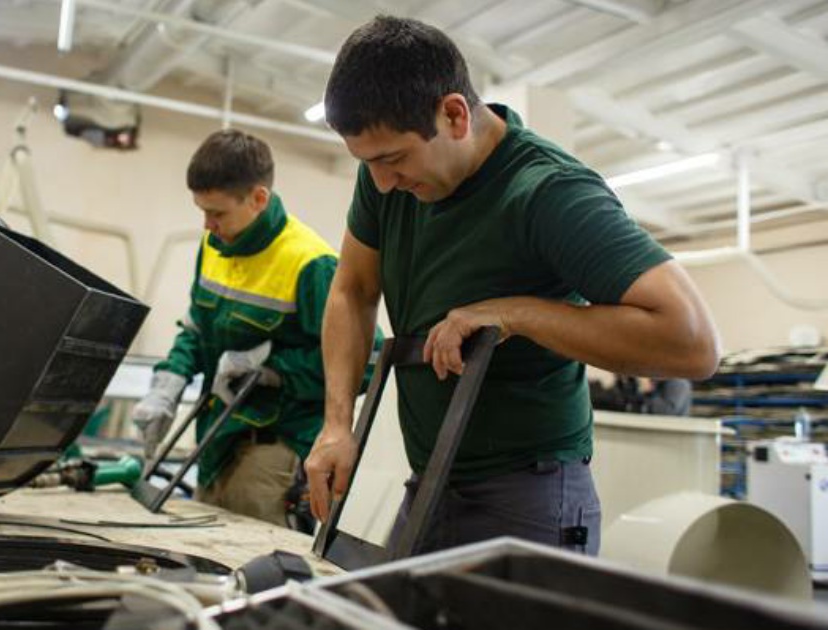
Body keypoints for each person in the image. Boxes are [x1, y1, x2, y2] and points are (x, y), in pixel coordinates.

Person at [304, 16, 720, 555]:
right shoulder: (386, 181)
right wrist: (338, 424)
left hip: (528, 498)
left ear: (454, 115)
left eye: (393, 159)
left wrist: (517, 314)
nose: (383, 183)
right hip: (430, 482)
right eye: (369, 164)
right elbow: (352, 290)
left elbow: (694, 343)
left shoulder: (549, 192)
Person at [131, 129, 342, 526]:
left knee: (253, 569)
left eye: (218, 213)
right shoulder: (214, 244)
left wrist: (272, 372)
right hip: (214, 443)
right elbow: (196, 328)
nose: (208, 224)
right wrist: (169, 383)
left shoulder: (312, 263)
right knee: (195, 556)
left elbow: (363, 360)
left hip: (271, 447)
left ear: (259, 198)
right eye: (202, 211)